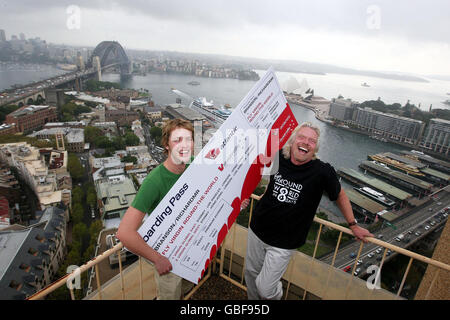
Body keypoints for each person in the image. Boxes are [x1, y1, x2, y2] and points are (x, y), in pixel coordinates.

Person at [244, 121, 373, 300]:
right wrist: (247, 195)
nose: (305, 142)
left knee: (265, 289)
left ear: (315, 148)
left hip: (284, 242)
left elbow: (340, 196)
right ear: (293, 140)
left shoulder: (322, 172)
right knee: (250, 275)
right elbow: (266, 182)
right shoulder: (279, 156)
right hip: (258, 228)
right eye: (302, 137)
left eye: (311, 141)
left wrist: (353, 224)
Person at [116, 119, 194, 300]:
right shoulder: (154, 181)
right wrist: (157, 258)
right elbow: (125, 232)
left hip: (187, 246)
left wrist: (238, 201)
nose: (184, 146)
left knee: (186, 288)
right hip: (166, 254)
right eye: (177, 140)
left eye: (188, 139)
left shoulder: (193, 166)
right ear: (166, 145)